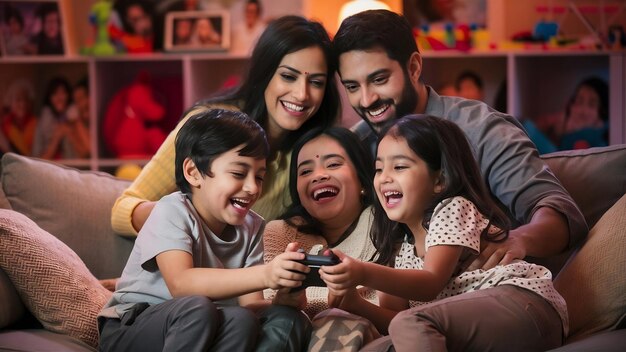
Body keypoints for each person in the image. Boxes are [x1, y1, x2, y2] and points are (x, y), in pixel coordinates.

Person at [333, 9, 587, 272]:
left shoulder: (481, 130)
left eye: (379, 79)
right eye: (352, 87)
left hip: (486, 290)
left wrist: (518, 240)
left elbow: (561, 214)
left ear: (414, 67)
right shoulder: (357, 143)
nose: (366, 100)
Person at [322, 115, 568, 351]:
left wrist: (362, 272)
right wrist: (355, 304)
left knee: (409, 323)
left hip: (526, 305)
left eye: (399, 166)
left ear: (439, 181)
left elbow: (430, 282)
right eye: (378, 169)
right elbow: (395, 320)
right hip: (473, 324)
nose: (384, 178)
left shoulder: (452, 208)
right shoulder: (400, 249)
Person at [98, 109, 313, 351]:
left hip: (202, 324)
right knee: (197, 308)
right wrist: (266, 274)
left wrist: (284, 300)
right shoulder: (172, 210)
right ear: (193, 172)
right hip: (130, 326)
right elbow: (181, 284)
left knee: (257, 319)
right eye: (239, 173)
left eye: (260, 177)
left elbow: (249, 308)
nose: (253, 187)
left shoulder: (252, 227)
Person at [111, 15, 339, 237]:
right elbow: (123, 209)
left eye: (316, 82)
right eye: (288, 76)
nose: (302, 94)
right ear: (265, 73)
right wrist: (186, 219)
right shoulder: (208, 126)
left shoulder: (312, 155)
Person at [263, 126, 379, 350]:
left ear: (363, 181)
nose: (318, 175)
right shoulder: (279, 233)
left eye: (333, 164)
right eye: (305, 171)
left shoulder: (387, 228)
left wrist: (349, 303)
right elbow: (266, 306)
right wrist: (284, 301)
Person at [527, 76, 609, 154]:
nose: (583, 110)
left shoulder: (600, 138)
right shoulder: (566, 131)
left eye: (591, 105)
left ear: (603, 111)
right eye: (579, 102)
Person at [0, 79, 37, 155]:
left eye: (26, 100)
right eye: (18, 100)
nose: (23, 104)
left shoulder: (37, 123)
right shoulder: (4, 125)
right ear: (10, 102)